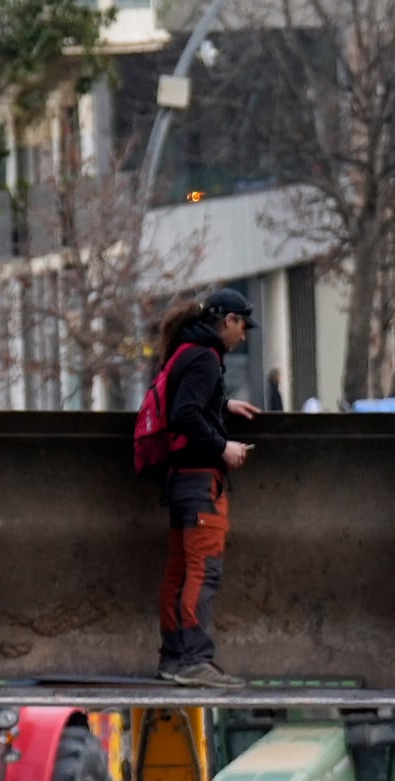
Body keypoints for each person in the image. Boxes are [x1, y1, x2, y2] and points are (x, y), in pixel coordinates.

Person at [140, 287, 263, 684]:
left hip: (179, 479)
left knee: (179, 570)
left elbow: (183, 400)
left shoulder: (185, 349)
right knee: (203, 570)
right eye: (242, 326)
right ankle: (194, 659)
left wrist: (221, 406)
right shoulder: (205, 357)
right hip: (198, 481)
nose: (243, 336)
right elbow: (185, 413)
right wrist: (223, 446)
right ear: (228, 320)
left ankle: (173, 658)